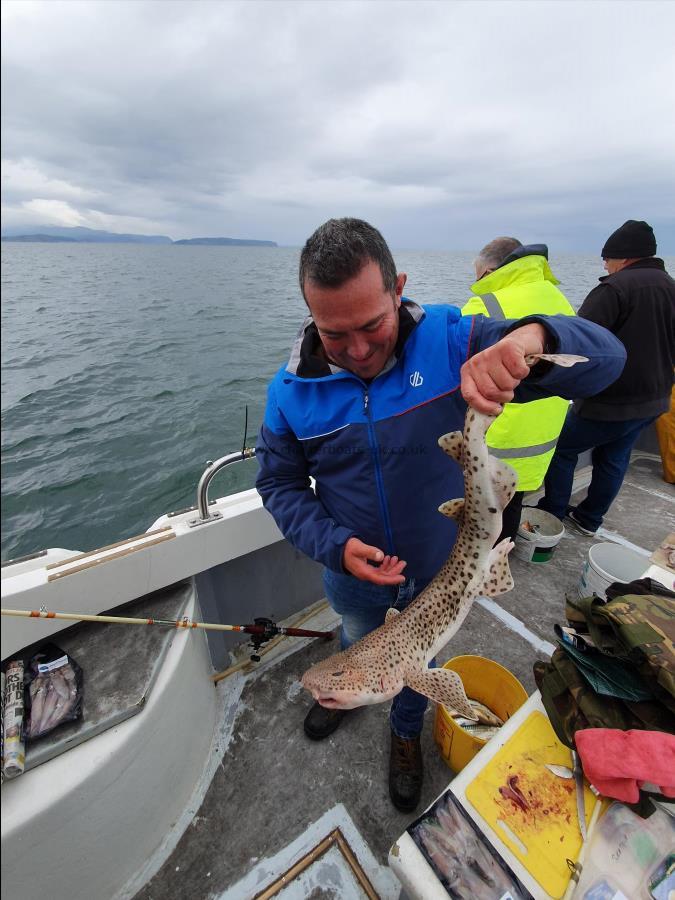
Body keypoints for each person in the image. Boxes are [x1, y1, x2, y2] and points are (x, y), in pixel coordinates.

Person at [255, 217, 625, 812]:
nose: (357, 351)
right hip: (351, 575)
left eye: (372, 324)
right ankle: (349, 693)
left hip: (443, 565)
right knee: (355, 639)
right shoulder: (290, 391)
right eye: (333, 333)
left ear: (397, 288)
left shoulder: (454, 341)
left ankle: (404, 730)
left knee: (417, 673)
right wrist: (333, 544)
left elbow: (608, 360)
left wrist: (528, 341)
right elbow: (278, 482)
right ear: (307, 313)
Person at [537, 219, 675, 535]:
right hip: (655, 399)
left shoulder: (613, 289)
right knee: (615, 456)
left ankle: (553, 513)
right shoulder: (671, 287)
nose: (605, 264)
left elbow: (577, 341)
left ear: (624, 258)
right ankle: (589, 518)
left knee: (563, 450)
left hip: (610, 402)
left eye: (607, 258)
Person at [461, 237, 576, 542]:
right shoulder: (557, 297)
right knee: (510, 511)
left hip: (497, 442)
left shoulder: (484, 303)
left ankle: (481, 580)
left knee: (477, 524)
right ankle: (499, 570)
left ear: (488, 272)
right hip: (542, 438)